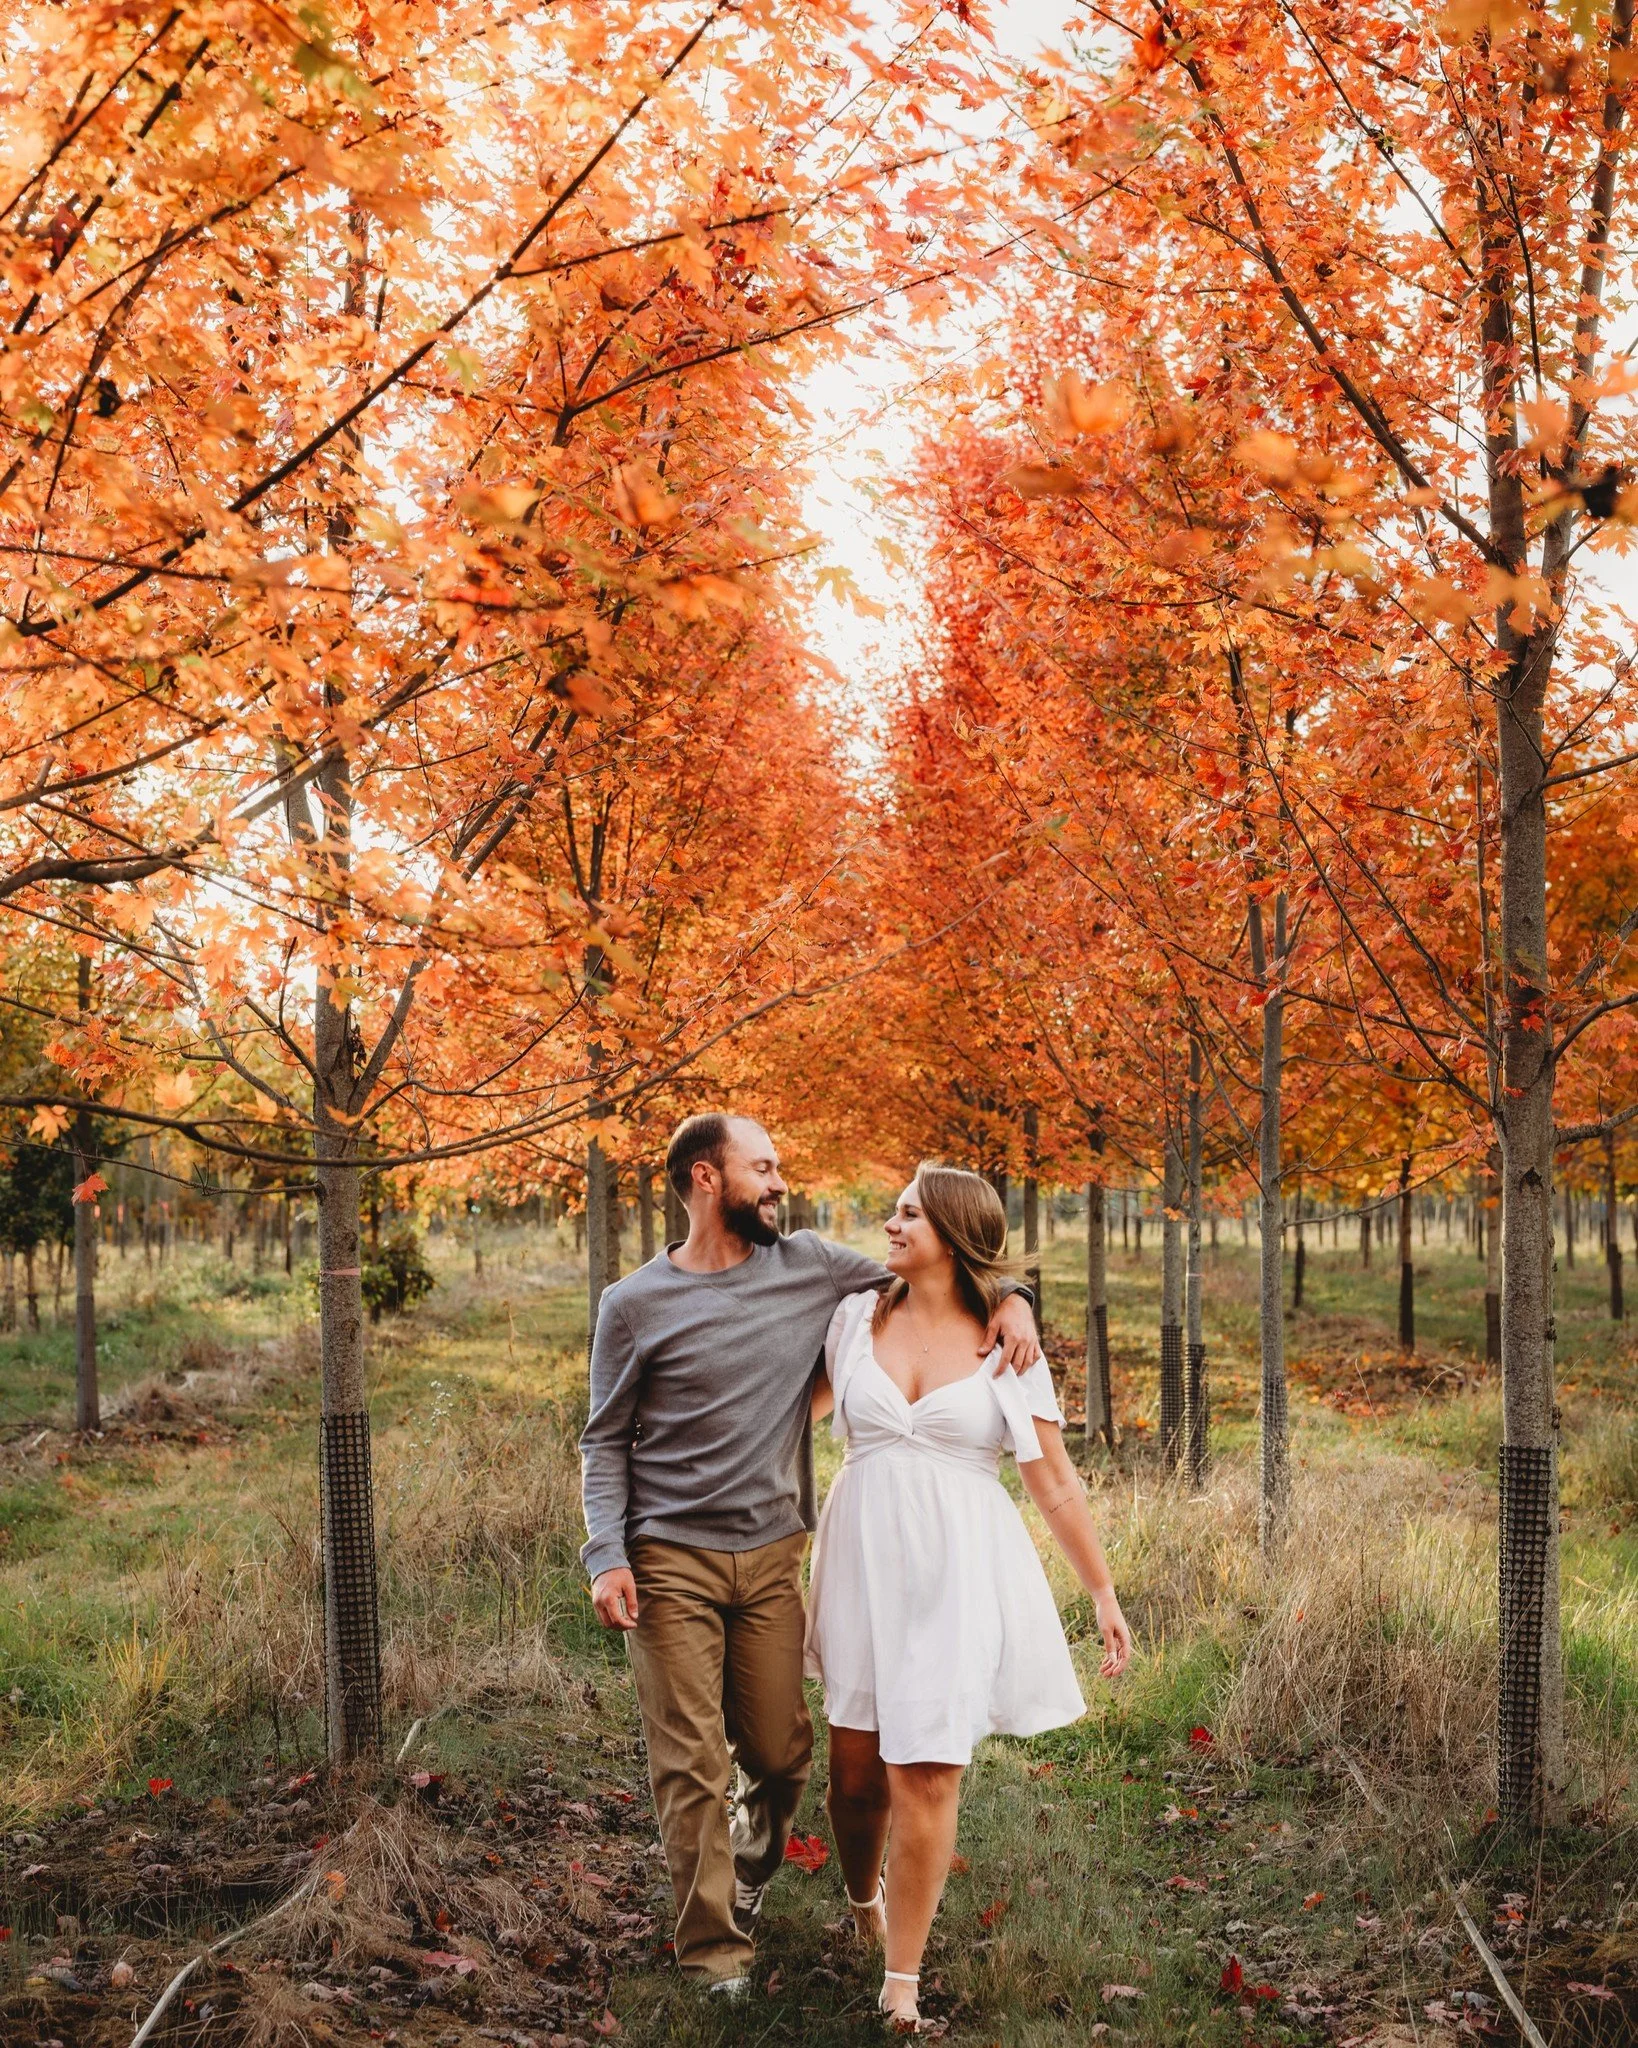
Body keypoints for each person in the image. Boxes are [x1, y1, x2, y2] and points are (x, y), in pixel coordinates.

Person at [580, 1113, 1043, 1995]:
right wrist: (607, 1554)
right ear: (708, 1179)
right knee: (691, 1761)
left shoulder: (813, 1268)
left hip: (772, 1556)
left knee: (786, 1752)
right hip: (667, 1553)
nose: (781, 1181)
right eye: (764, 1167)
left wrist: (1018, 1298)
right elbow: (603, 1442)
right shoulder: (631, 1304)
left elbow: (945, 1264)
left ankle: (747, 1871)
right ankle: (716, 1955)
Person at [805, 1163, 1132, 2034]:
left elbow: (1053, 1483)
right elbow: (782, 1408)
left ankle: (902, 1977)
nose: (890, 1222)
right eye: (894, 1209)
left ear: (951, 1232)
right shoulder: (851, 1317)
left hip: (959, 1566)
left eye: (909, 1213)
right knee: (854, 1775)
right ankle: (859, 1893)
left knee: (930, 1769)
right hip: (862, 1559)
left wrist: (1100, 1591)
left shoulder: (1007, 1344)